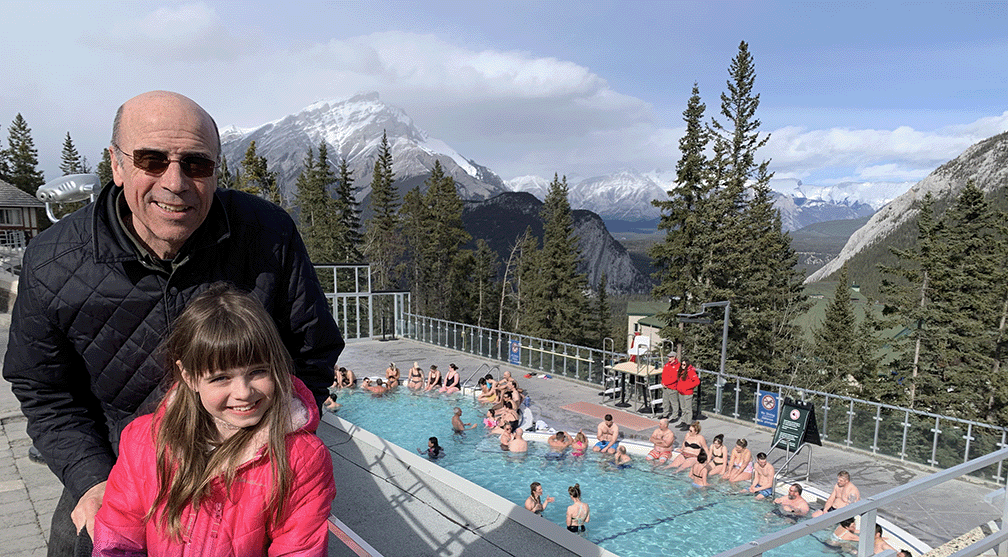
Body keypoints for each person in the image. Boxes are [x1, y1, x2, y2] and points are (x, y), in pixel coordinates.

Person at [2, 90, 344, 556]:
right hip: (117, 467)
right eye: (152, 160)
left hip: (248, 464)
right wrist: (90, 479)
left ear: (216, 170)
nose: (175, 182)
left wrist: (272, 442)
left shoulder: (267, 236)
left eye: (196, 164)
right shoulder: (54, 260)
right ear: (117, 164)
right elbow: (44, 389)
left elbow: (312, 350)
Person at [91, 285, 336, 555]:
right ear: (189, 377)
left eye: (258, 372)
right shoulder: (144, 439)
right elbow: (118, 536)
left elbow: (298, 550)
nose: (243, 392)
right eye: (221, 378)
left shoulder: (301, 458)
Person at [675, 357, 700, 429]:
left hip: (687, 393)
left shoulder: (691, 372)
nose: (682, 366)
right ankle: (683, 421)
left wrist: (687, 387)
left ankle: (688, 423)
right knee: (683, 408)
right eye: (682, 364)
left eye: (684, 365)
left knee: (688, 409)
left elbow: (697, 381)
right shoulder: (681, 371)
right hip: (681, 392)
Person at [660, 353, 681, 420]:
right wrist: (662, 382)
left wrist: (666, 383)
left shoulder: (678, 366)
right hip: (665, 386)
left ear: (674, 357)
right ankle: (665, 414)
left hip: (673, 387)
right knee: (665, 401)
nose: (669, 358)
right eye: (668, 357)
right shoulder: (667, 365)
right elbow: (663, 374)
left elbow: (675, 378)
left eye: (670, 357)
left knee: (674, 402)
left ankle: (675, 416)